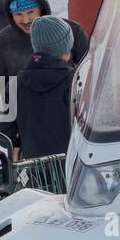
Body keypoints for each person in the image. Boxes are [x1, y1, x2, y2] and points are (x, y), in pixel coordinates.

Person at [0, 0, 88, 152]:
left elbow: (92, 81)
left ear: (42, 8)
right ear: (10, 15)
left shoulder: (68, 32)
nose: (26, 20)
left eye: (30, 12)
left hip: (73, 136)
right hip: (27, 137)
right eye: (18, 14)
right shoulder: (4, 42)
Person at [14, 16, 76, 159]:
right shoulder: (74, 80)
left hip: (34, 165)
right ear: (66, 47)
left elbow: (4, 125)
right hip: (71, 163)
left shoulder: (17, 83)